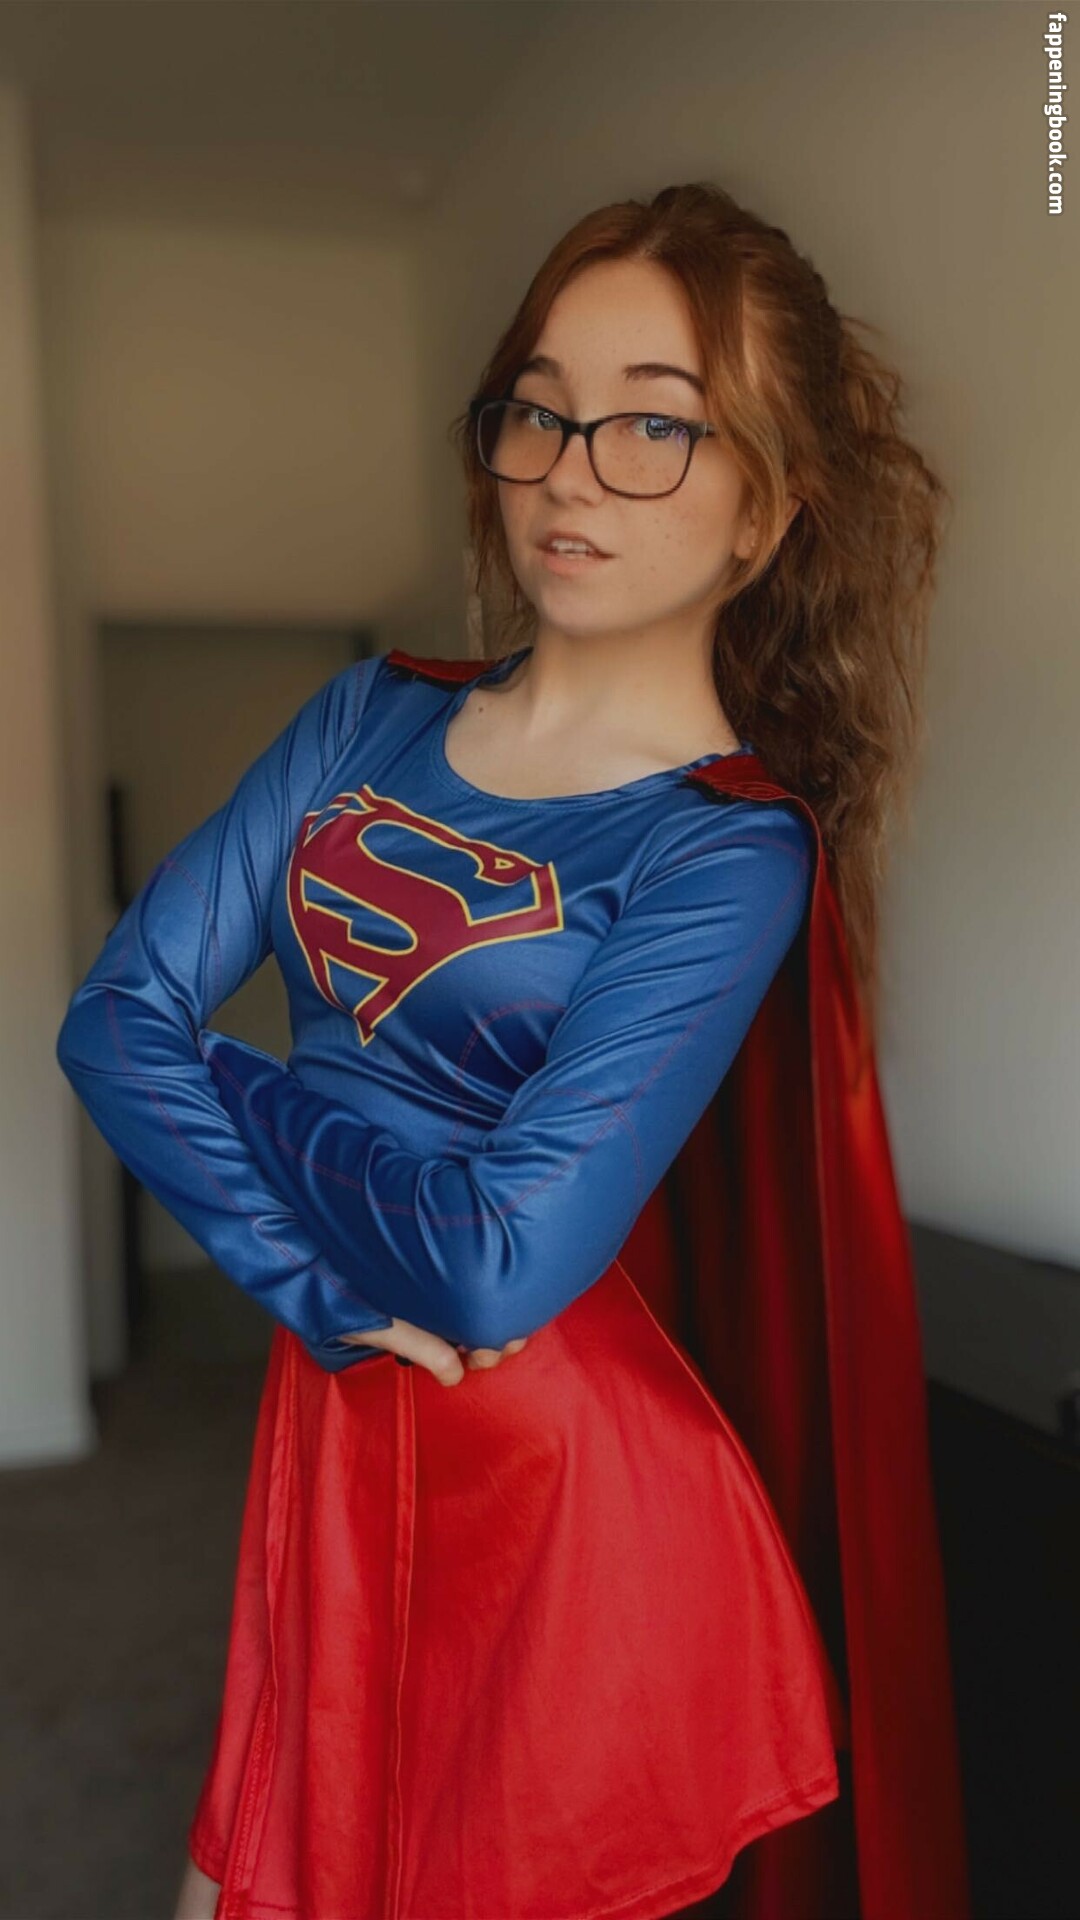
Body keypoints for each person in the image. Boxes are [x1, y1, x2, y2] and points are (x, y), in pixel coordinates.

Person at [57, 181, 969, 1920]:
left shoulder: (726, 849)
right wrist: (303, 1281)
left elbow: (496, 1266)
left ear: (768, 508)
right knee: (255, 1866)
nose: (570, 468)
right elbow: (105, 1020)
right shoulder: (366, 715)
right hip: (342, 1387)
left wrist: (231, 1081)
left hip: (561, 1484)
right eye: (541, 408)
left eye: (655, 425)